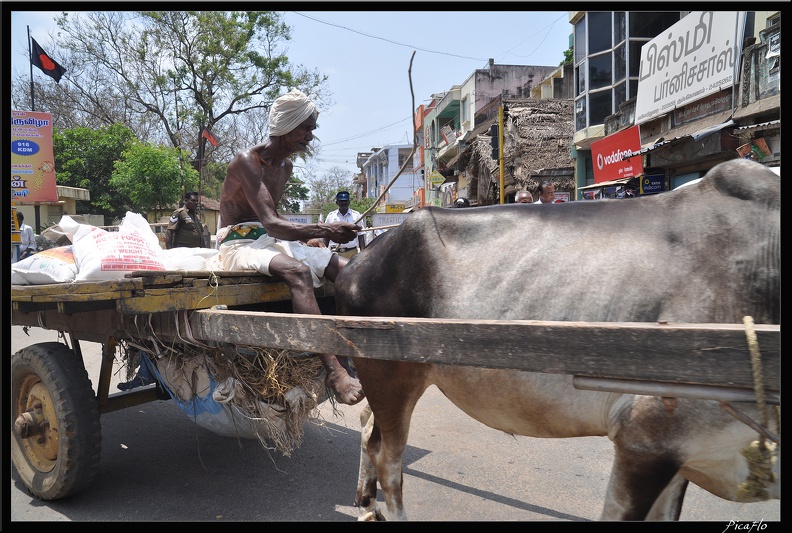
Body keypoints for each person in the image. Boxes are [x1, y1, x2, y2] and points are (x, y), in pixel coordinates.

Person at [216, 88, 364, 406]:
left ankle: (356, 350)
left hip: (270, 240)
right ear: (286, 127)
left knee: (346, 269)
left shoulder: (285, 168)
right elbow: (269, 222)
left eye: (312, 129)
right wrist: (324, 229)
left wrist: (306, 239)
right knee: (297, 271)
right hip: (238, 243)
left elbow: (274, 222)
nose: (310, 136)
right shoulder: (247, 161)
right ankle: (334, 369)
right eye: (306, 128)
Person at [323, 191, 366, 259]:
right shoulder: (331, 216)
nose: (344, 203)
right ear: (337, 202)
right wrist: (323, 252)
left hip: (352, 253)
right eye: (341, 201)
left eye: (345, 201)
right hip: (335, 253)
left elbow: (361, 235)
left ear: (349, 202)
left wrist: (363, 255)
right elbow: (326, 236)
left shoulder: (356, 215)